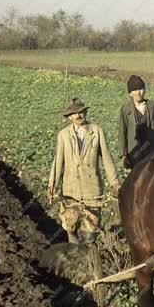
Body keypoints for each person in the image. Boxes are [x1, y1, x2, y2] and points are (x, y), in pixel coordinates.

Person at [46, 97, 120, 244]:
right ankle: (75, 256)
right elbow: (57, 162)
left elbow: (106, 158)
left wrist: (115, 182)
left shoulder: (97, 132)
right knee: (70, 227)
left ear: (85, 113)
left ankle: (89, 261)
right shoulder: (63, 135)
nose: (78, 116)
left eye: (81, 112)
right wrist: (51, 185)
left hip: (91, 191)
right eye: (74, 114)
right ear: (69, 117)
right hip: (70, 192)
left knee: (90, 231)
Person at [118, 75, 154, 169]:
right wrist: (123, 155)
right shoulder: (125, 109)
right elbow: (122, 132)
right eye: (135, 90)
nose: (138, 93)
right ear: (130, 93)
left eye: (141, 89)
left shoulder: (153, 106)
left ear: (145, 90)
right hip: (135, 154)